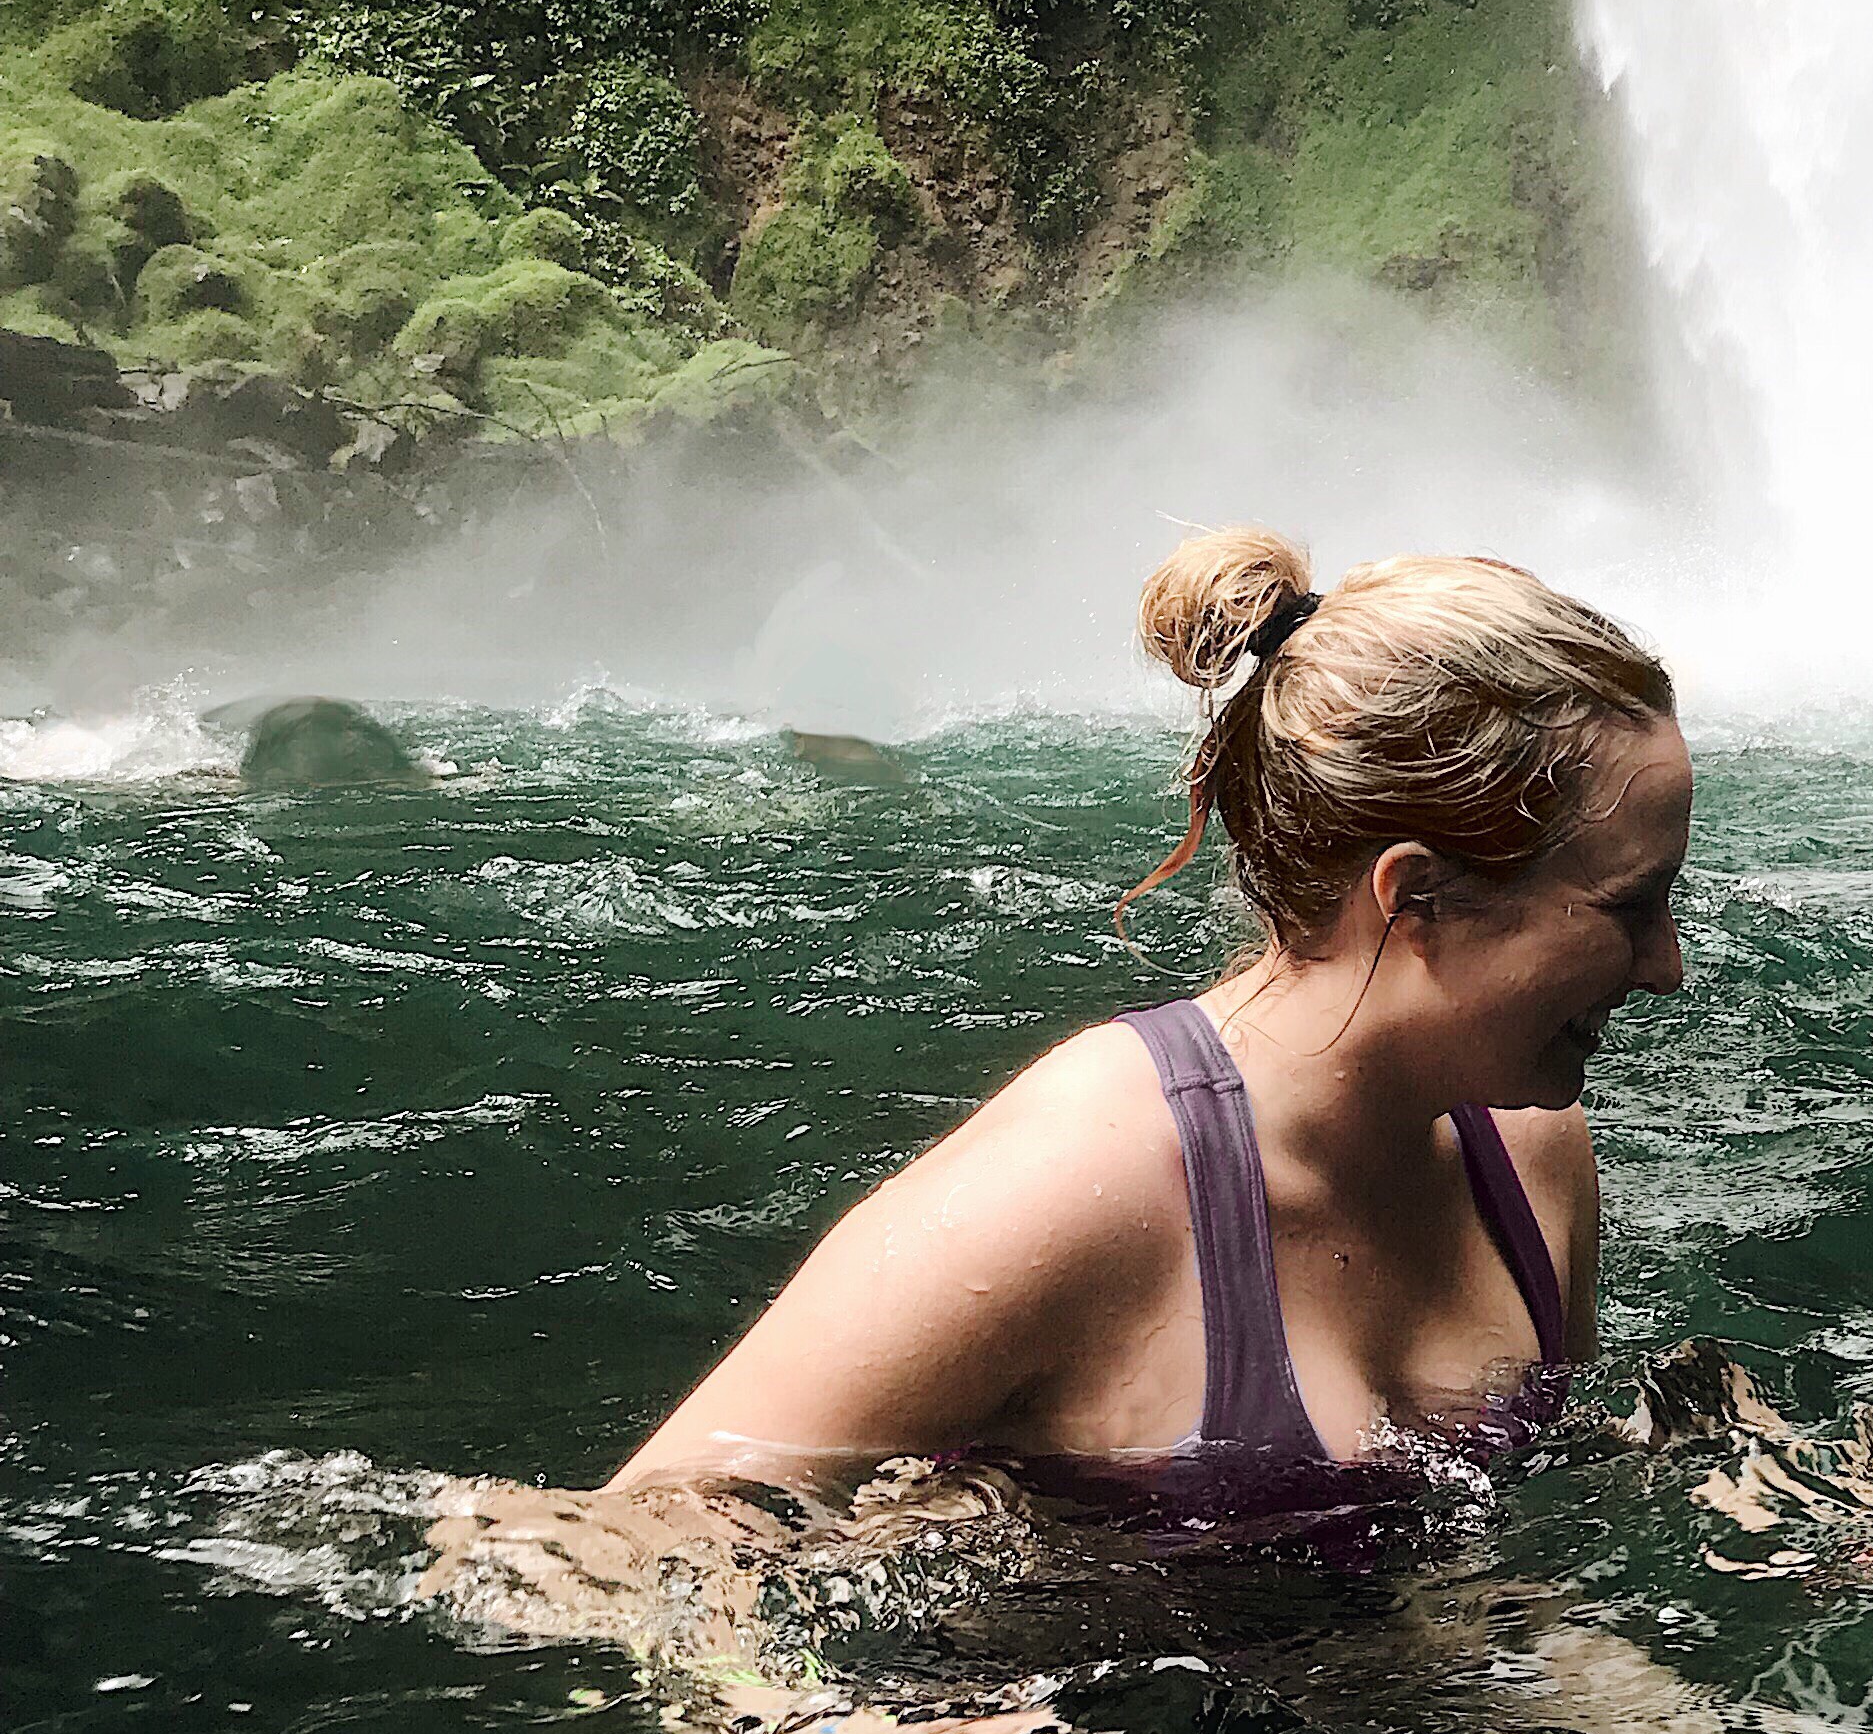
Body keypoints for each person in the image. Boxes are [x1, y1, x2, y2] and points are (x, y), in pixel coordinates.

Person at [611, 527, 1691, 1548]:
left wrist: (1720, 1474)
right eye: (1630, 907)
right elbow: (593, 1549)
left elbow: (1514, 1532)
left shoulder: (1534, 1155)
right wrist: (826, 1733)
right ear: (1415, 898)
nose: (1667, 966)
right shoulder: (1088, 1173)